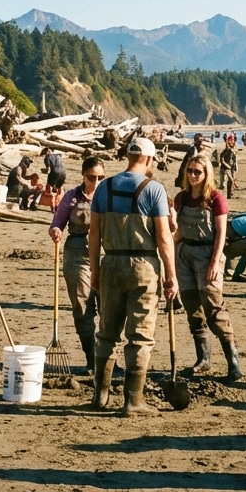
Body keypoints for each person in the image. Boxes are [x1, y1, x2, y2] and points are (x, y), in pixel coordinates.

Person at [88, 137, 178, 415]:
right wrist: (171, 276)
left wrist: (95, 271)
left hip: (110, 263)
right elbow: (163, 238)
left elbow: (94, 235)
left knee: (106, 333)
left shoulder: (104, 187)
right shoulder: (154, 189)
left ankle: (100, 396)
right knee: (139, 336)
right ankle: (133, 400)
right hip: (143, 266)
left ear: (128, 156)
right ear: (149, 159)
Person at [171, 153, 242, 381]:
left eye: (197, 172)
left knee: (214, 308)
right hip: (184, 255)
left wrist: (214, 262)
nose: (193, 175)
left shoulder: (215, 199)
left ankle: (233, 362)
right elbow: (174, 230)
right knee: (192, 309)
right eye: (190, 171)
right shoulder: (181, 198)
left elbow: (221, 234)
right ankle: (203, 359)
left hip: (207, 254)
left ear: (206, 174)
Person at [49, 156, 106, 372]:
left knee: (107, 307)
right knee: (82, 307)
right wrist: (56, 231)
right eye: (92, 177)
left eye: (101, 177)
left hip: (104, 253)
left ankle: (106, 358)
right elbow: (57, 223)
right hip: (77, 253)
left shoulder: (108, 197)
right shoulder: (72, 197)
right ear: (83, 176)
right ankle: (91, 358)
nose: (96, 182)